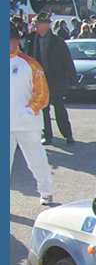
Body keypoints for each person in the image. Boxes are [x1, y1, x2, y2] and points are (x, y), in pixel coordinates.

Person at [10, 20, 55, 205]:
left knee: (35, 159)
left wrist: (30, 110)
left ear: (17, 41)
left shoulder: (30, 64)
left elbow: (42, 92)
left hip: (26, 122)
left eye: (10, 40)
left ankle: (46, 191)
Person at [24, 11, 76, 146]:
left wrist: (73, 81)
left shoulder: (58, 42)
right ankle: (47, 136)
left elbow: (67, 61)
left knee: (59, 108)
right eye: (35, 23)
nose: (35, 25)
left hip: (55, 80)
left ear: (46, 25)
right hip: (39, 81)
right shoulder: (31, 40)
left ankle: (68, 135)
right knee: (43, 110)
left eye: (38, 23)